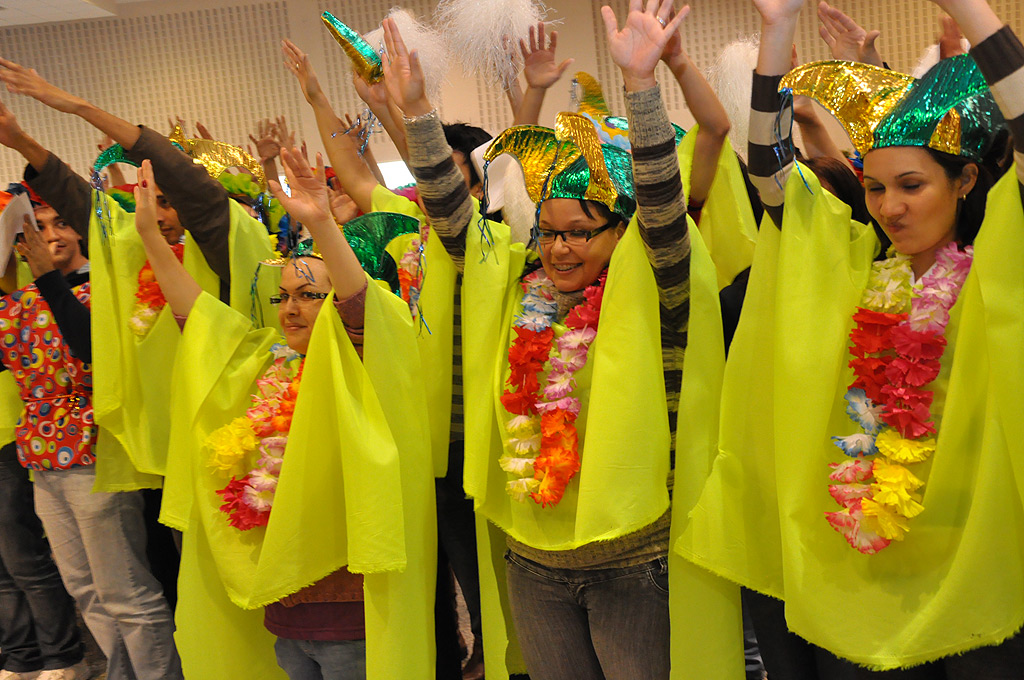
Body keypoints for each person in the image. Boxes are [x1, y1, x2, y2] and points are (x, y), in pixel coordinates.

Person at [381, 2, 741, 678]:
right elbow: (456, 221)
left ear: (620, 234)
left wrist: (641, 86)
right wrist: (419, 113)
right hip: (534, 561)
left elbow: (663, 203)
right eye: (549, 230)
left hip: (633, 563)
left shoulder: (654, 289)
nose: (560, 246)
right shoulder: (519, 290)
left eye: (582, 230)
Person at [678, 0, 1024, 676]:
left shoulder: (1001, 270)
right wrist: (777, 34)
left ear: (967, 180)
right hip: (867, 574)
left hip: (979, 573)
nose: (890, 206)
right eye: (874, 187)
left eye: (912, 186)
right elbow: (771, 172)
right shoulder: (855, 271)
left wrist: (968, 9)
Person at [138, 146, 436, 679]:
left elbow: (360, 308)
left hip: (349, 614)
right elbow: (199, 320)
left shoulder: (368, 363)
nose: (291, 308)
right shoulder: (265, 366)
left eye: (308, 295)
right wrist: (152, 242)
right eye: (283, 296)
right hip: (284, 609)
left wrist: (322, 225)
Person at [0, 182, 180, 680]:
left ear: (82, 232)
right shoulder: (18, 302)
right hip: (40, 457)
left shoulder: (101, 287)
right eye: (35, 227)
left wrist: (44, 278)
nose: (49, 236)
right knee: (85, 590)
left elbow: (88, 351)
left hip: (92, 453)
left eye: (61, 224)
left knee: (126, 590)